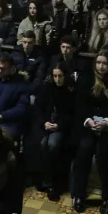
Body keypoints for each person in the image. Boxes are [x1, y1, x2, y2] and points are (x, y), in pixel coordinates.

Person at [71, 49, 108, 213]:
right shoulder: (87, 78)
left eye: (104, 63)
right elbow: (80, 105)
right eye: (98, 62)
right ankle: (79, 195)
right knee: (84, 149)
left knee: (104, 154)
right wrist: (88, 121)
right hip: (88, 126)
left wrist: (107, 122)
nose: (101, 66)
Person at [33, 63, 75, 200]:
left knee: (51, 144)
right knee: (42, 144)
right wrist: (44, 123)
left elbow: (72, 115)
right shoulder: (46, 88)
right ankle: (47, 181)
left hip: (61, 127)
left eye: (60, 76)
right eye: (55, 76)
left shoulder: (70, 91)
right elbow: (38, 108)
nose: (57, 79)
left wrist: (58, 125)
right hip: (45, 125)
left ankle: (51, 182)